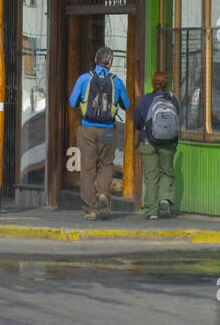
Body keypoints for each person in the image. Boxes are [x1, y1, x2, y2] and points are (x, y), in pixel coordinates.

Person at [67, 46, 129, 221]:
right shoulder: (116, 82)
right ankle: (103, 194)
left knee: (87, 168)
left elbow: (72, 102)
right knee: (106, 164)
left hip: (87, 128)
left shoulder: (84, 79)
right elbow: (126, 104)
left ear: (95, 60)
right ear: (110, 62)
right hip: (108, 128)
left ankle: (91, 208)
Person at [134, 71, 181, 220]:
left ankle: (151, 210)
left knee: (151, 176)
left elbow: (137, 122)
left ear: (153, 84)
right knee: (166, 172)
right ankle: (164, 199)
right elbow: (177, 118)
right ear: (166, 84)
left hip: (148, 141)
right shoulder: (172, 100)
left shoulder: (145, 100)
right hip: (168, 142)